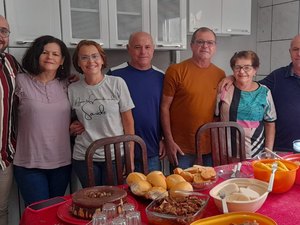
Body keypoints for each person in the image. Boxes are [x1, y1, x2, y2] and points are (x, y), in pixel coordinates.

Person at [13, 35, 72, 206]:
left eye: (55, 54)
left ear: (62, 61)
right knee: (39, 214)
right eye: (45, 52)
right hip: (29, 163)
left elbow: (83, 111)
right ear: (36, 55)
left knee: (55, 213)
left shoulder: (67, 85)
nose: (50, 57)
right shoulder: (20, 81)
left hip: (62, 162)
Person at [68, 40, 135, 188]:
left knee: (113, 201)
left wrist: (130, 158)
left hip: (115, 156)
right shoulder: (72, 89)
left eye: (94, 56)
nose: (90, 61)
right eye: (84, 57)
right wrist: (71, 127)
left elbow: (128, 123)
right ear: (78, 62)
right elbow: (64, 119)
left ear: (102, 59)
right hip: (84, 156)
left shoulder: (117, 83)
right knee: (93, 201)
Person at [219, 34, 300, 152]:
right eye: (296, 49)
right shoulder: (278, 77)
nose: (299, 53)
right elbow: (249, 85)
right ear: (290, 52)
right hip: (281, 149)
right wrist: (233, 77)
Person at [160, 27, 225, 169]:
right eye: (200, 42)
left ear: (215, 47)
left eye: (210, 42)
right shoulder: (176, 70)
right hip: (181, 148)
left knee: (208, 188)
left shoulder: (220, 74)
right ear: (192, 45)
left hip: (209, 147)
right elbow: (164, 107)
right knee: (181, 189)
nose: (205, 46)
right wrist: (168, 141)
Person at [107, 31, 165, 172]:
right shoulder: (113, 75)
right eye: (137, 47)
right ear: (128, 48)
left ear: (153, 48)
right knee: (123, 193)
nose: (143, 52)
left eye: (147, 47)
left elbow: (164, 110)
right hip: (121, 151)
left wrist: (163, 138)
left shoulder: (161, 76)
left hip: (152, 150)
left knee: (153, 192)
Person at [216, 51, 276, 158]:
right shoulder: (224, 89)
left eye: (247, 67)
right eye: (237, 67)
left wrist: (268, 152)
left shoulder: (264, 92)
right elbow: (215, 118)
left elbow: (270, 123)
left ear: (255, 70)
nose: (242, 71)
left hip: (255, 154)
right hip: (226, 153)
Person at [0, 15, 23, 225]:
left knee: (1, 211)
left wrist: (64, 79)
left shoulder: (10, 62)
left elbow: (34, 86)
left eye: (4, 31)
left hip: (3, 156)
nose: (0, 35)